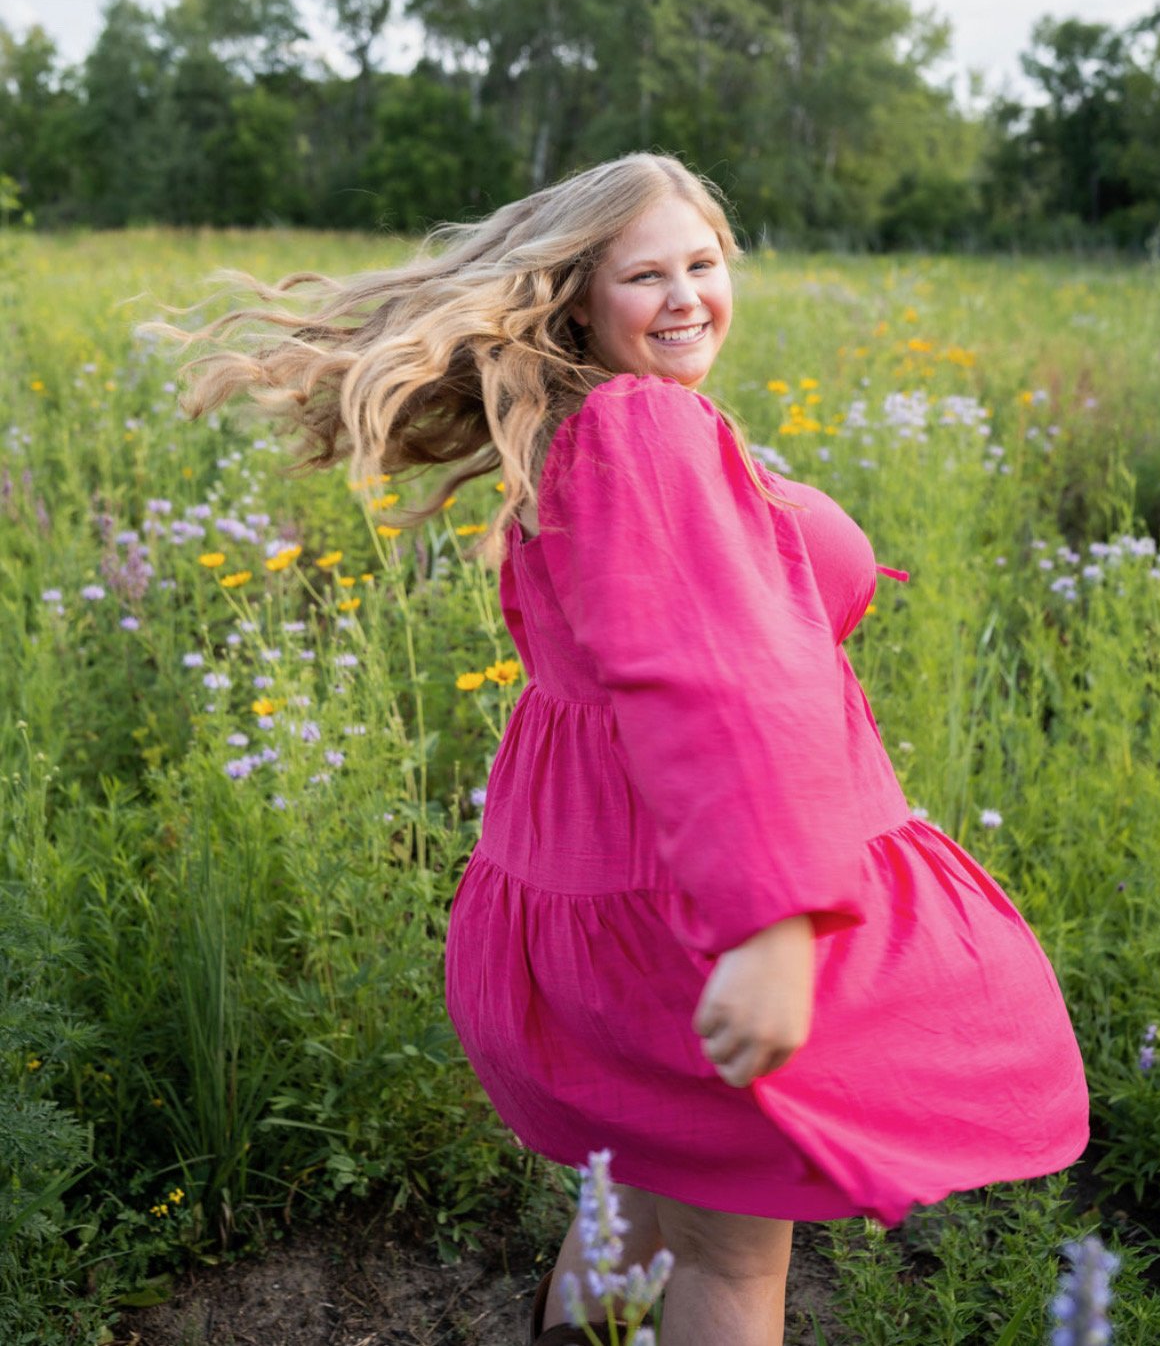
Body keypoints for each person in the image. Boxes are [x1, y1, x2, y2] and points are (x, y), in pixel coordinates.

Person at [151, 152, 1089, 1346]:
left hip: (603, 909)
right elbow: (716, 682)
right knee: (729, 1264)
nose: (689, 295)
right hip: (688, 916)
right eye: (648, 273)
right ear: (577, 299)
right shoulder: (648, 424)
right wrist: (774, 925)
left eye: (704, 263)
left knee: (627, 1221)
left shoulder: (578, 430)